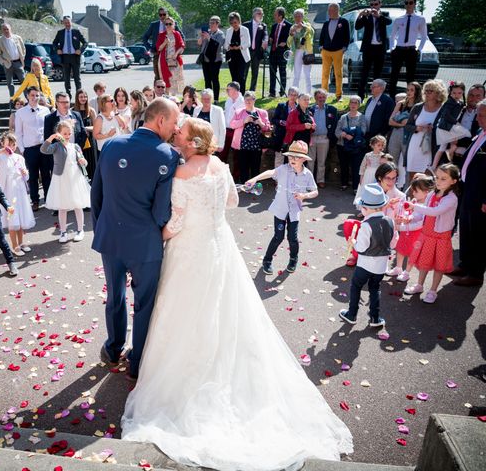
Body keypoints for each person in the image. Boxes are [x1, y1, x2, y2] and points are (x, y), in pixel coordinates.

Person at [121, 117, 352, 469]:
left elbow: (177, 221)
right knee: (224, 308)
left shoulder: (181, 173)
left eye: (182, 132)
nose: (177, 135)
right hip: (219, 244)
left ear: (193, 140)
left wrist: (157, 238)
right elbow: (232, 202)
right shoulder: (219, 165)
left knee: (187, 310)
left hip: (189, 249)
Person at [92, 98, 181, 380]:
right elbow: (161, 210)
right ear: (160, 121)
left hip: (111, 237)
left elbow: (96, 194)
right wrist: (152, 230)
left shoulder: (111, 145)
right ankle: (137, 362)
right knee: (144, 303)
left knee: (114, 297)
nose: (176, 128)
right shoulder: (168, 156)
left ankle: (114, 347)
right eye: (174, 122)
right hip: (145, 242)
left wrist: (103, 228)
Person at [246, 140, 318, 275]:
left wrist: (304, 196)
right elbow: (270, 172)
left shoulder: (307, 174)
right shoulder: (284, 169)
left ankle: (293, 259)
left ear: (303, 159)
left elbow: (315, 191)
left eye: (296, 157)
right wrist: (255, 179)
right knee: (278, 237)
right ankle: (267, 261)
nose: (292, 159)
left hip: (294, 211)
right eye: (290, 156)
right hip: (280, 210)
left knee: (293, 238)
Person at [339, 183, 395, 328]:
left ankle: (351, 314)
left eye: (362, 208)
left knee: (356, 286)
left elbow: (361, 248)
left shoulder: (366, 225)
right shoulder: (390, 221)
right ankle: (375, 318)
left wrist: (354, 240)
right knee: (375, 289)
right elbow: (393, 243)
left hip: (365, 265)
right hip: (381, 266)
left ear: (366, 209)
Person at [404, 164, 460, 303]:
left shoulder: (451, 199)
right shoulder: (432, 193)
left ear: (453, 181)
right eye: (437, 178)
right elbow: (425, 211)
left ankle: (433, 290)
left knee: (439, 265)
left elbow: (435, 211)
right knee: (424, 261)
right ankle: (419, 285)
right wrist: (410, 218)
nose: (438, 181)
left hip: (440, 237)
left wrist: (414, 206)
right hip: (427, 234)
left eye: (444, 179)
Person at [450, 100, 486, 287]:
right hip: (468, 189)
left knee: (478, 234)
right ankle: (464, 265)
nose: (477, 118)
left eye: (481, 115)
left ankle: (476, 273)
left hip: (481, 196)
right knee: (465, 228)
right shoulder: (481, 133)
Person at [343, 162, 404, 267]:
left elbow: (397, 221)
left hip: (385, 233)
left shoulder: (400, 196)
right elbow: (364, 211)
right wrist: (385, 205)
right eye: (388, 178)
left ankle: (378, 256)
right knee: (349, 224)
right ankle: (356, 254)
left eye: (394, 178)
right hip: (369, 227)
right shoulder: (370, 189)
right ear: (380, 177)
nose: (391, 181)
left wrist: (401, 219)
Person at [0, 134, 35, 256]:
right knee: (12, 217)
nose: (10, 147)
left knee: (21, 216)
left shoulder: (19, 158)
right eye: (8, 144)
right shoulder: (1, 156)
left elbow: (26, 177)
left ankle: (22, 242)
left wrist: (25, 173)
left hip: (20, 190)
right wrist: (1, 150)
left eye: (13, 145)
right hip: (7, 190)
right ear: (3, 144)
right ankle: (14, 245)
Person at [42, 121, 91, 243]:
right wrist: (51, 138)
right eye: (65, 133)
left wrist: (83, 161)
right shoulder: (56, 146)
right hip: (61, 177)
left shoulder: (75, 146)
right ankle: (63, 232)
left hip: (75, 177)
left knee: (77, 204)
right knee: (62, 206)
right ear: (59, 133)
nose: (67, 136)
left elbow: (83, 160)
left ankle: (80, 230)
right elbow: (44, 149)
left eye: (69, 133)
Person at [386, 173, 434, 281]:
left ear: (426, 192)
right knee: (400, 249)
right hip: (406, 230)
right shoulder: (414, 201)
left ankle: (406, 272)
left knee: (412, 253)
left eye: (416, 191)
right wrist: (403, 218)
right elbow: (408, 214)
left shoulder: (426, 207)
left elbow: (420, 223)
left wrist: (402, 226)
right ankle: (398, 267)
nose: (413, 193)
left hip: (415, 233)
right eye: (413, 190)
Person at [15, 86, 51, 212]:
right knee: (33, 176)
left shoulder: (46, 110)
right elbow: (18, 133)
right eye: (32, 95)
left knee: (46, 174)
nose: (35, 98)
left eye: (37, 95)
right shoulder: (20, 113)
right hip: (30, 149)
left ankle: (48, 198)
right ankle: (35, 200)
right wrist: (23, 150)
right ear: (27, 96)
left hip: (44, 147)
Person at [404, 79, 445, 180]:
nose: (427, 93)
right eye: (425, 90)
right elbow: (408, 126)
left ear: (438, 93)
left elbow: (446, 129)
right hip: (415, 145)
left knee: (428, 179)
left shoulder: (443, 109)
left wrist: (434, 129)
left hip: (432, 148)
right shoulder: (418, 107)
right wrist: (417, 128)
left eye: (430, 91)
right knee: (413, 178)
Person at [388, 0, 427, 97]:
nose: (408, 5)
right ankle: (391, 98)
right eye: (406, 3)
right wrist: (392, 48)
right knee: (394, 75)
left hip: (411, 50)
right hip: (399, 49)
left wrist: (419, 50)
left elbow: (424, 36)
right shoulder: (398, 19)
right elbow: (392, 36)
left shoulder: (420, 19)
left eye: (411, 3)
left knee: (410, 77)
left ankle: (411, 99)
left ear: (415, 4)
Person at [230, 91, 271, 183]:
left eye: (250, 99)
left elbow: (268, 128)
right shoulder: (239, 112)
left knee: (255, 167)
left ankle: (254, 185)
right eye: (246, 99)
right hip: (242, 145)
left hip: (257, 145)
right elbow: (232, 125)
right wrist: (244, 120)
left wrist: (261, 123)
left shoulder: (262, 113)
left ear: (254, 100)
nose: (248, 101)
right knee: (243, 167)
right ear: (244, 100)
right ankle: (245, 185)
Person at [355, 0, 392, 98]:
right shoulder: (367, 16)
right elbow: (357, 27)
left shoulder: (384, 15)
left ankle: (376, 96)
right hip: (368, 48)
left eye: (375, 4)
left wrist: (378, 16)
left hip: (380, 48)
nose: (373, 7)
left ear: (380, 4)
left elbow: (389, 22)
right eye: (371, 5)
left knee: (377, 74)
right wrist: (361, 15)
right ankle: (360, 96)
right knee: (365, 73)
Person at [388, 82, 422, 187]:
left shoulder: (420, 106)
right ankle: (389, 186)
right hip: (396, 134)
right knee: (391, 162)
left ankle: (407, 189)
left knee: (409, 165)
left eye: (412, 90)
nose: (409, 92)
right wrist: (403, 124)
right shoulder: (401, 104)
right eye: (408, 90)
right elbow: (390, 121)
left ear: (417, 91)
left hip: (410, 136)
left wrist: (406, 125)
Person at [432, 81, 470, 169]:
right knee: (466, 133)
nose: (457, 95)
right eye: (454, 93)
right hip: (445, 126)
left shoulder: (459, 102)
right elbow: (446, 114)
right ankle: (434, 165)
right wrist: (455, 122)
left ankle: (450, 156)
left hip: (449, 126)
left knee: (446, 146)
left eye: (459, 93)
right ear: (450, 92)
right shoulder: (449, 102)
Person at [142, 8, 184, 82]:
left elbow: (181, 37)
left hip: (171, 55)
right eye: (160, 15)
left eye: (164, 14)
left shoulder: (173, 23)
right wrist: (150, 48)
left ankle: (169, 93)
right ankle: (157, 92)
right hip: (158, 53)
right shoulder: (154, 25)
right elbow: (145, 37)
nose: (162, 16)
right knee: (158, 76)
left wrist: (178, 51)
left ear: (167, 14)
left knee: (171, 77)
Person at [319, 3, 350, 101]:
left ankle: (339, 95)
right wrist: (321, 47)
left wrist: (344, 48)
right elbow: (322, 36)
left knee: (338, 74)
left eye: (331, 10)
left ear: (337, 10)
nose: (329, 12)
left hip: (338, 51)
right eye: (329, 10)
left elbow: (347, 36)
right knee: (325, 74)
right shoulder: (326, 23)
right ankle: (323, 95)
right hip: (326, 51)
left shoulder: (344, 21)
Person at [336, 95, 367, 192]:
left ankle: (355, 187)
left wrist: (351, 134)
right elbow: (337, 131)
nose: (353, 105)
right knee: (343, 165)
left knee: (356, 167)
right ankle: (344, 184)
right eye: (351, 102)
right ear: (349, 104)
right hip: (343, 145)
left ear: (359, 105)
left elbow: (363, 130)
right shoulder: (343, 117)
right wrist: (343, 134)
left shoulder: (362, 117)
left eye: (355, 103)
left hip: (356, 146)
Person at [308, 89, 338, 187]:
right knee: (310, 161)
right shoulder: (310, 109)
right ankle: (309, 182)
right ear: (315, 98)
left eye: (323, 97)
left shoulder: (332, 109)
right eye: (319, 97)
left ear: (326, 98)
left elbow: (335, 125)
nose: (321, 99)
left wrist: (331, 138)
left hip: (324, 138)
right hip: (311, 138)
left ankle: (320, 180)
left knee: (322, 161)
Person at [53, 16, 87, 99]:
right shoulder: (60, 33)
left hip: (75, 57)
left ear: (71, 22)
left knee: (77, 78)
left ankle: (79, 95)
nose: (67, 24)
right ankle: (68, 96)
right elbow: (54, 43)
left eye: (68, 22)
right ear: (63, 23)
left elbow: (85, 43)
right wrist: (57, 49)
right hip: (65, 57)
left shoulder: (76, 32)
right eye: (65, 23)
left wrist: (80, 50)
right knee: (66, 78)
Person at [270, 86, 300, 167]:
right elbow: (274, 120)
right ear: (288, 95)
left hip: (294, 137)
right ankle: (278, 179)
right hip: (281, 136)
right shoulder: (281, 106)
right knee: (279, 158)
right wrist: (280, 121)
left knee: (293, 159)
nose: (293, 97)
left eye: (295, 95)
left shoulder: (300, 108)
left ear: (297, 96)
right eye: (291, 94)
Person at [354, 135, 387, 206]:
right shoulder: (368, 155)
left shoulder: (383, 156)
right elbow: (362, 167)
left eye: (382, 145)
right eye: (378, 145)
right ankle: (363, 208)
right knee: (365, 192)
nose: (381, 147)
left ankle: (373, 207)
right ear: (373, 145)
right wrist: (361, 178)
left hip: (377, 177)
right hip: (367, 176)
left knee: (374, 192)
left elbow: (384, 168)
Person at [156, 16, 185, 95]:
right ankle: (166, 97)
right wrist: (165, 42)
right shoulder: (161, 35)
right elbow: (158, 48)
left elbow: (182, 46)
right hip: (164, 61)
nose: (168, 26)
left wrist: (176, 54)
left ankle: (174, 99)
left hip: (175, 61)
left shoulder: (177, 34)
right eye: (166, 24)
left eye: (170, 24)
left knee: (174, 81)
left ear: (174, 25)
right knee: (166, 80)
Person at [198, 16, 224, 102]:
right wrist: (201, 38)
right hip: (205, 60)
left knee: (214, 79)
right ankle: (208, 98)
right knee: (207, 80)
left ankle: (216, 99)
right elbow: (200, 44)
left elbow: (219, 45)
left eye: (213, 23)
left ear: (218, 24)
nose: (211, 25)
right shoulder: (207, 32)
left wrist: (209, 38)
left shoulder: (220, 34)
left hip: (215, 60)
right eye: (210, 23)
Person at [0, 23, 26, 98]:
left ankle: (28, 99)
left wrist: (22, 58)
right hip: (8, 64)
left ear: (10, 29)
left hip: (18, 62)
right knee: (10, 83)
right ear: (2, 30)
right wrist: (3, 62)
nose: (6, 31)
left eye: (7, 29)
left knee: (24, 82)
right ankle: (13, 99)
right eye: (4, 29)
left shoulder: (18, 38)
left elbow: (23, 49)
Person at [289, 9, 315, 95]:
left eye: (299, 16)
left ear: (303, 17)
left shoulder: (307, 25)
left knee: (307, 74)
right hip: (297, 52)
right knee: (297, 74)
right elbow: (288, 42)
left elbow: (311, 32)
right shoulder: (292, 27)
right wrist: (291, 34)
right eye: (296, 16)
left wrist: (303, 26)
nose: (297, 18)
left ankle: (308, 94)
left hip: (306, 52)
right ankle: (294, 94)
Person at [224, 12, 251, 94]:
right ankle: (234, 94)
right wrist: (229, 47)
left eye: (235, 22)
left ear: (239, 21)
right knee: (234, 77)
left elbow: (248, 43)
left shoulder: (245, 30)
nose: (233, 25)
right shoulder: (229, 31)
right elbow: (225, 44)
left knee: (241, 77)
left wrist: (239, 47)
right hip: (232, 56)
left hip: (242, 56)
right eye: (231, 23)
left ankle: (242, 95)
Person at [73, 89, 98, 176]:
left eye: (85, 97)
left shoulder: (91, 111)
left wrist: (85, 128)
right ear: (77, 98)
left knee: (92, 163)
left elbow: (96, 127)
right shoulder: (72, 111)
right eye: (81, 97)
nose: (83, 98)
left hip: (90, 141)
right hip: (79, 142)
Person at [221, 82, 245, 172]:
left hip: (237, 131)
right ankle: (221, 174)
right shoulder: (228, 101)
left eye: (228, 89)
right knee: (223, 153)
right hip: (227, 130)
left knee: (237, 155)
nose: (227, 91)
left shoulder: (243, 101)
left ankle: (236, 177)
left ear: (235, 90)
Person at [268, 7, 291, 98]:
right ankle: (272, 93)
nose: (274, 16)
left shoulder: (289, 25)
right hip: (273, 52)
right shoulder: (274, 26)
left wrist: (285, 43)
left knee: (282, 72)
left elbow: (291, 39)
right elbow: (271, 36)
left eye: (275, 15)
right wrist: (270, 39)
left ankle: (282, 92)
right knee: (272, 72)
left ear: (280, 16)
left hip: (283, 52)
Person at [243, 7, 268, 92]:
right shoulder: (246, 24)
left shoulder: (263, 25)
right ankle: (242, 90)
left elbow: (265, 35)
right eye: (259, 13)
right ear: (254, 14)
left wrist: (265, 41)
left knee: (255, 72)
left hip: (257, 52)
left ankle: (252, 90)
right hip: (246, 51)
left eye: (262, 14)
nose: (261, 15)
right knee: (244, 71)